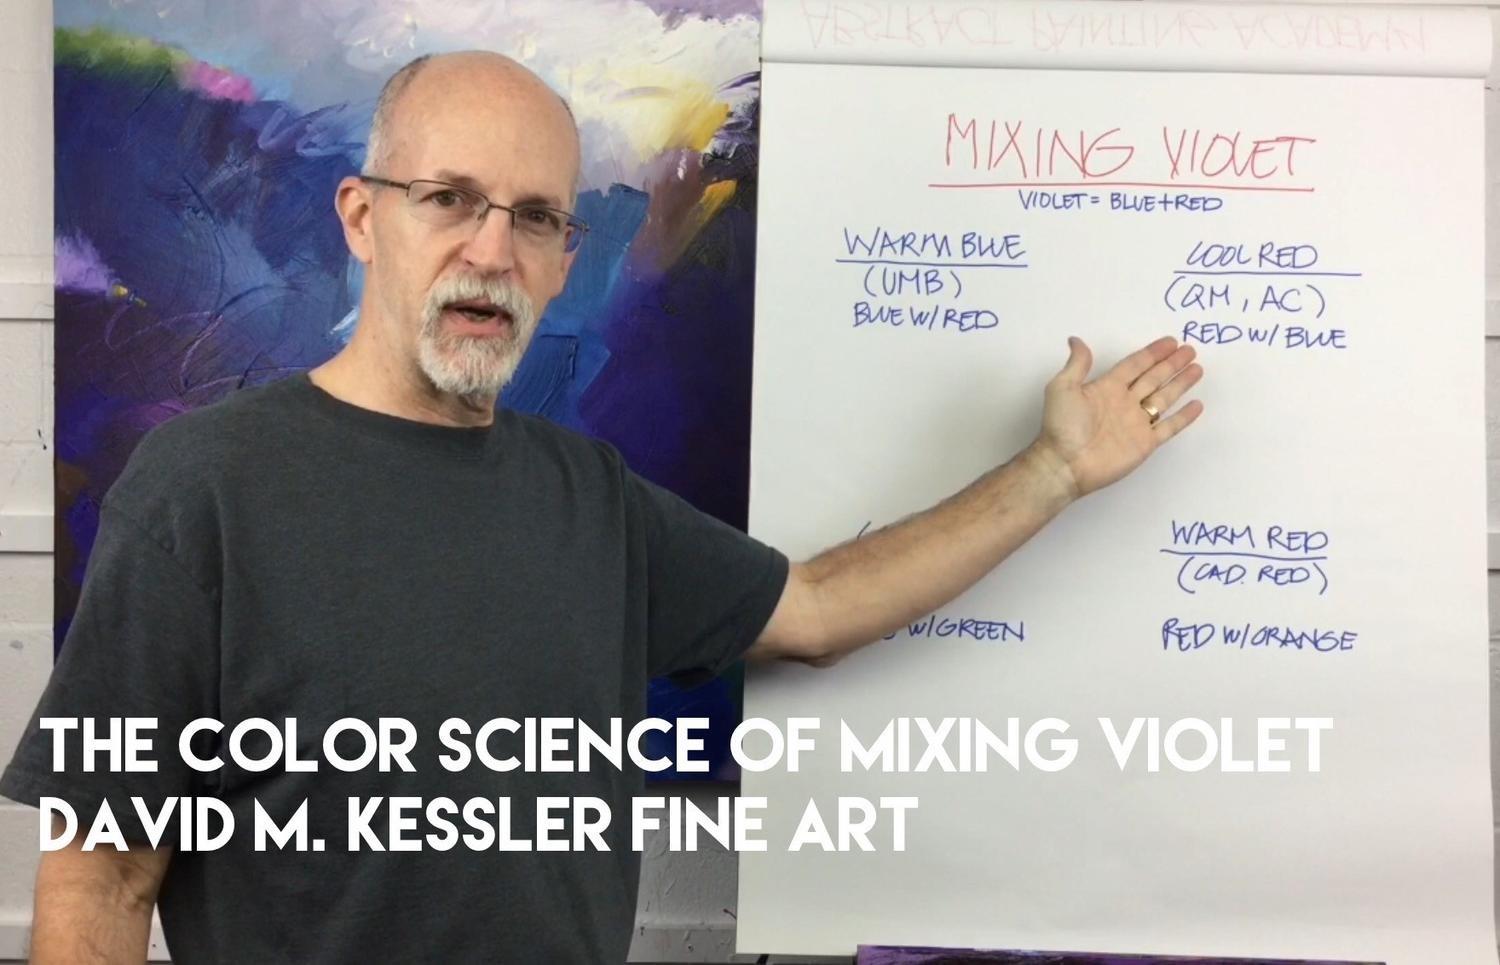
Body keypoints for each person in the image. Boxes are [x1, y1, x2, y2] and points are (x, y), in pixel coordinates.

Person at [1, 51, 1203, 964]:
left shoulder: (589, 496)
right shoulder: (203, 489)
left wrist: (1052, 472)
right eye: (449, 198)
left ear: (567, 257)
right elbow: (102, 877)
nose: (492, 249)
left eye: (535, 216)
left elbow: (820, 606)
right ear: (363, 218)